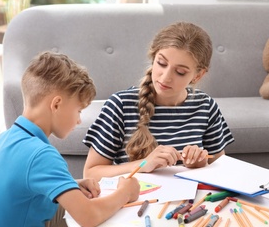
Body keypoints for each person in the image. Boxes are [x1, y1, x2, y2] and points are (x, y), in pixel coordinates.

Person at [0, 51, 140, 227]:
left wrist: (72, 184)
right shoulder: (41, 155)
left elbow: (23, 184)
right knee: (100, 218)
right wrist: (125, 193)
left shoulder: (6, 138)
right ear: (56, 104)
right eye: (78, 111)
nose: (79, 120)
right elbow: (88, 217)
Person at [83, 22, 235, 181]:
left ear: (198, 75)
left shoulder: (206, 107)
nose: (165, 77)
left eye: (180, 72)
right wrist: (143, 164)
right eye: (161, 63)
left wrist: (201, 163)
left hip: (189, 202)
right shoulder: (120, 105)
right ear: (153, 58)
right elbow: (90, 173)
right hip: (137, 201)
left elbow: (220, 167)